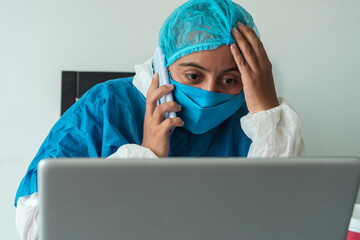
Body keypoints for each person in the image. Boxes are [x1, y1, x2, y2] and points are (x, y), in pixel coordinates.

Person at [14, 0, 306, 239]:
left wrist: (269, 119)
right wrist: (145, 157)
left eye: (230, 80)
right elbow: (36, 227)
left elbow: (291, 221)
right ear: (162, 65)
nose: (209, 92)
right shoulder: (105, 106)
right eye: (193, 76)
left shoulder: (257, 121)